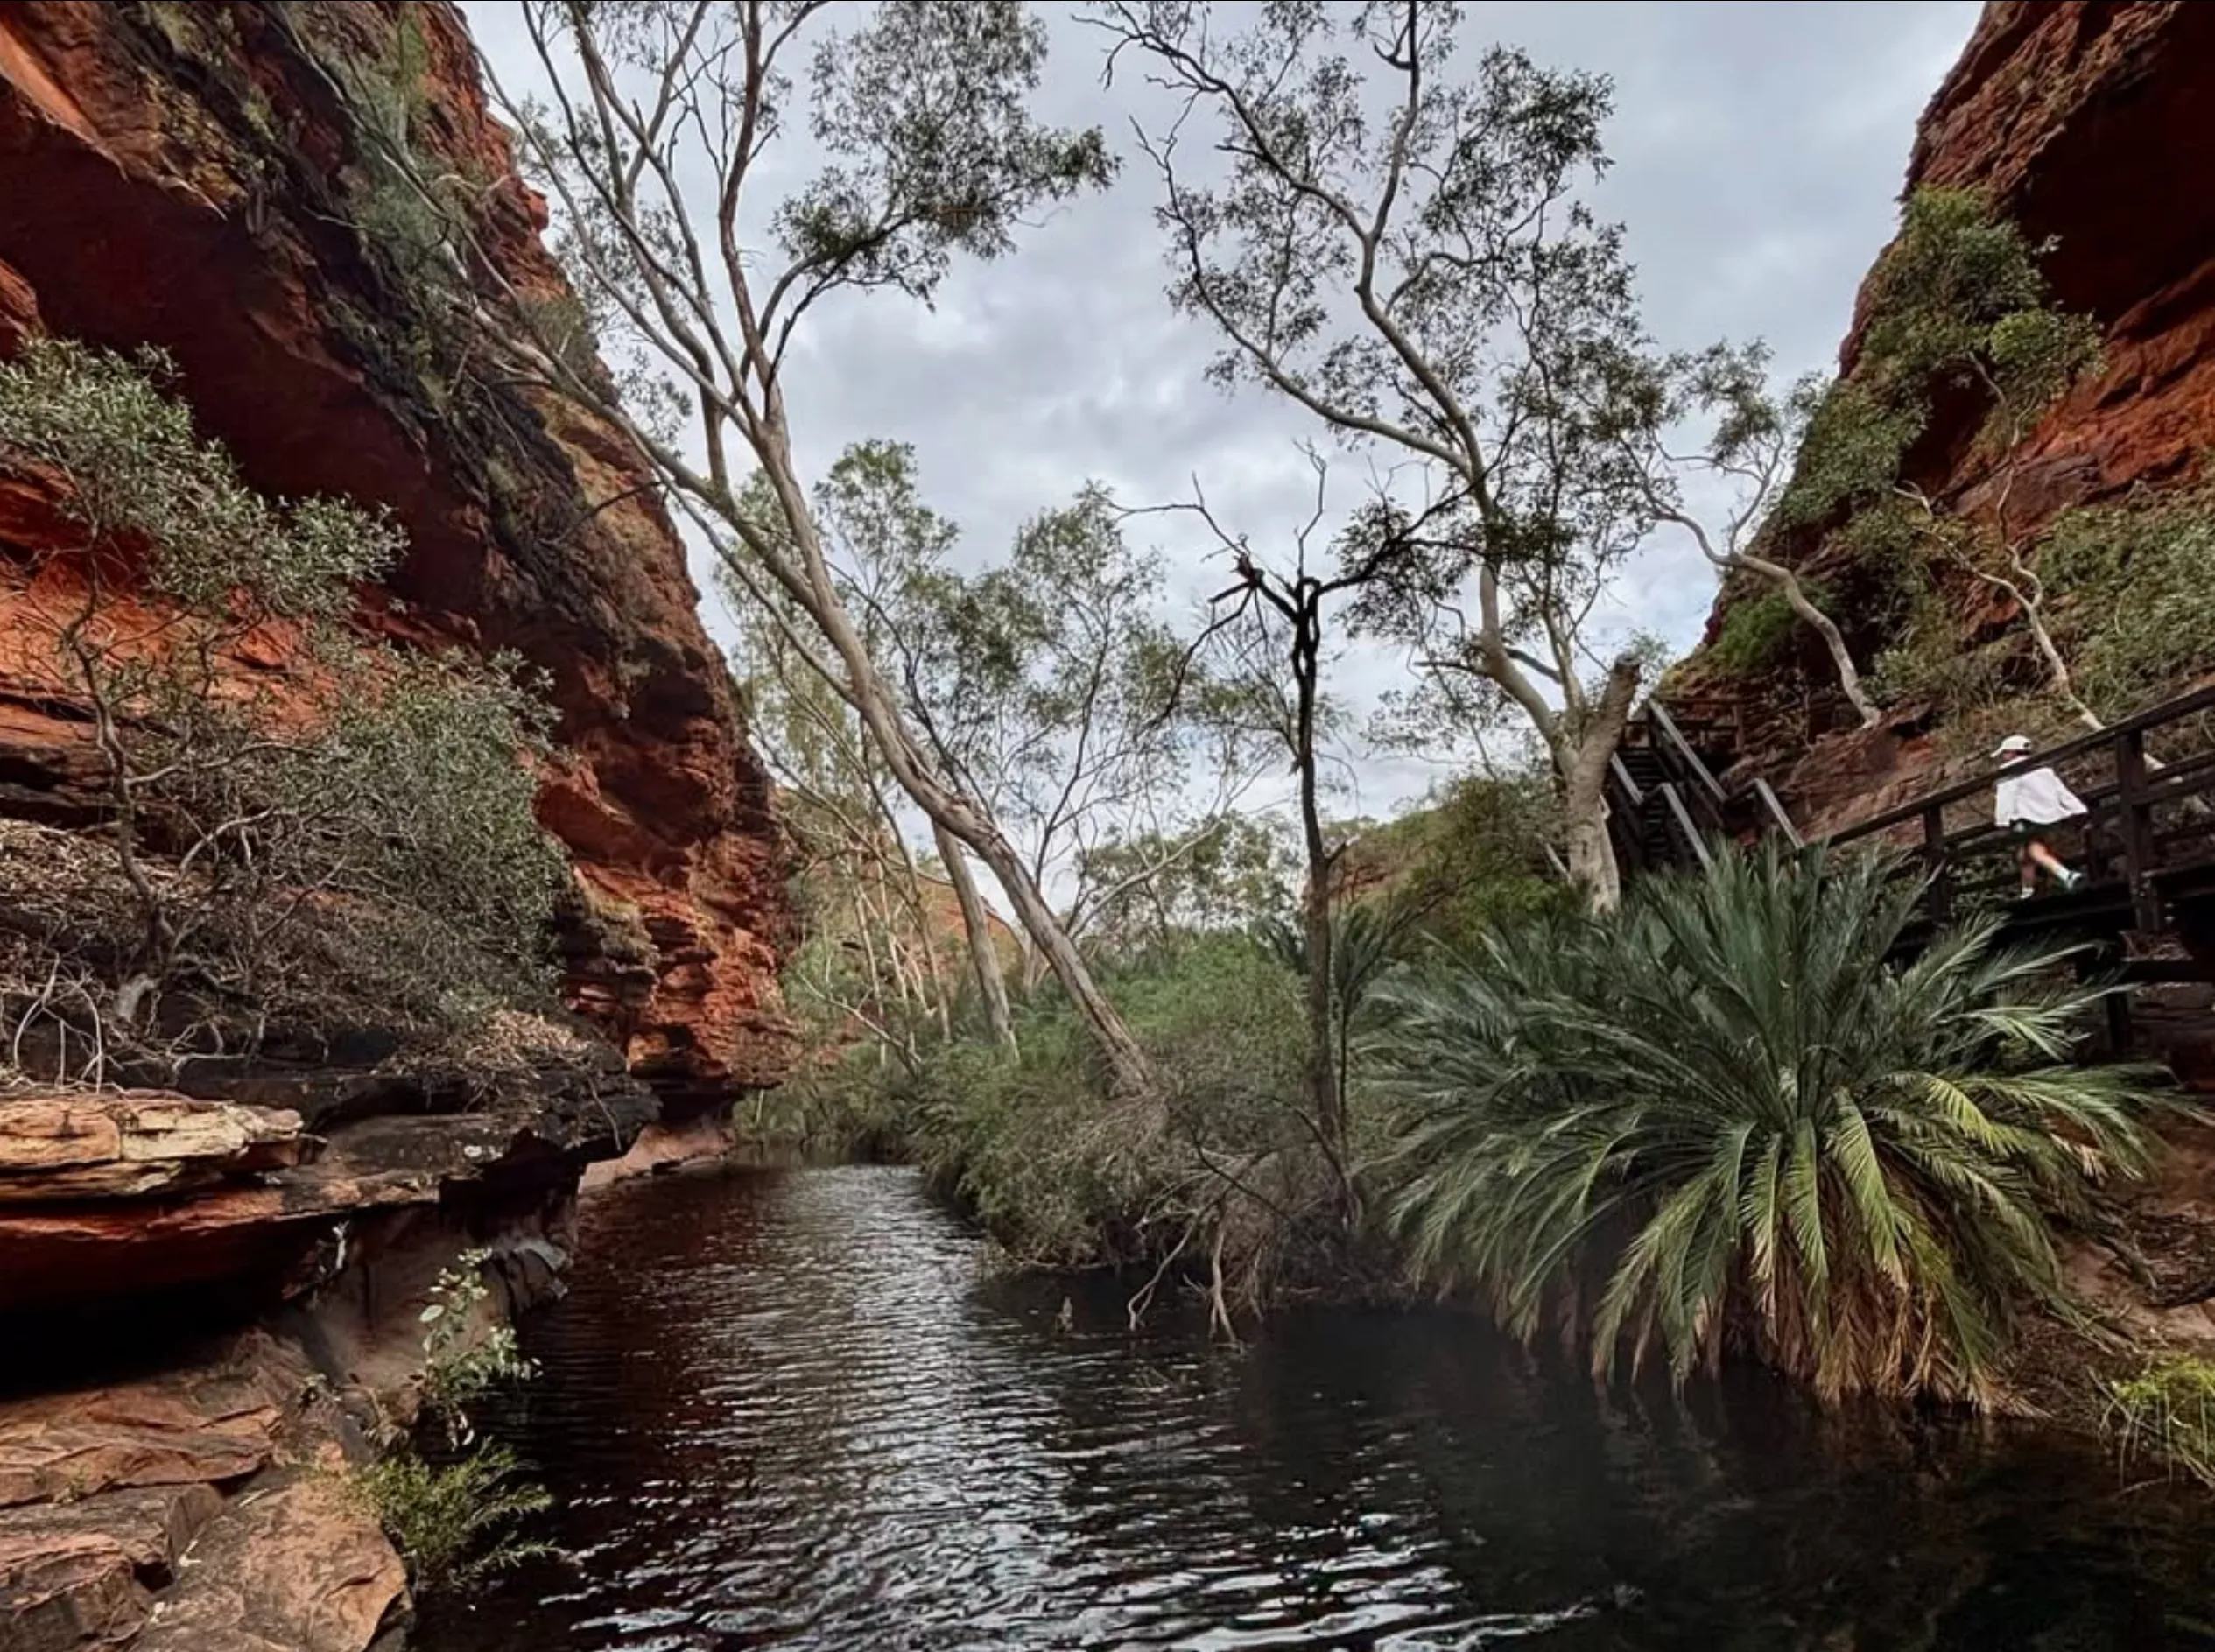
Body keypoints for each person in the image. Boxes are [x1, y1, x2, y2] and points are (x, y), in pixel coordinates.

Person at [1992, 733, 2087, 897]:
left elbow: (2006, 799)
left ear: (2012, 753)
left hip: (2027, 818)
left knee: (2033, 850)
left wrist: (2002, 821)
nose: (2004, 757)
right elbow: (2061, 792)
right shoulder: (2043, 769)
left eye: (2005, 753)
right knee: (2024, 855)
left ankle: (2066, 875)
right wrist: (2079, 810)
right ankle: (2027, 891)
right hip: (2051, 816)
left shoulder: (2009, 772)